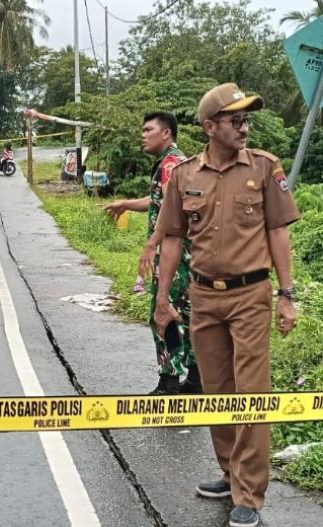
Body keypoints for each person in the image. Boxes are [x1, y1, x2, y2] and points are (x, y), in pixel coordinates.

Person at [153, 83, 300, 527]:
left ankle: (249, 494)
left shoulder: (264, 167)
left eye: (246, 119)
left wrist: (287, 295)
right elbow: (173, 238)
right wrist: (162, 299)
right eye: (235, 119)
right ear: (210, 126)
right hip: (203, 295)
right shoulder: (185, 176)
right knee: (216, 389)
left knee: (251, 393)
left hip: (251, 295)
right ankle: (229, 471)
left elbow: (279, 233)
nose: (244, 126)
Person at [105, 111, 200, 395]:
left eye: (148, 130)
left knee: (162, 313)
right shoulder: (173, 162)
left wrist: (151, 244)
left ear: (166, 133)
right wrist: (126, 203)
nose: (143, 135)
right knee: (186, 314)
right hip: (186, 255)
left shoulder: (171, 164)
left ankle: (169, 384)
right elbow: (159, 201)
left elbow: (174, 211)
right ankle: (196, 381)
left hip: (175, 255)